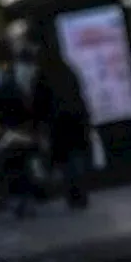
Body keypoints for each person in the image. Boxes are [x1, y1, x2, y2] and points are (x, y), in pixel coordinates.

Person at [32, 46, 93, 209]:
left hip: (59, 124)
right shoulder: (68, 70)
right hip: (77, 120)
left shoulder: (43, 76)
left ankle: (73, 194)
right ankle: (81, 192)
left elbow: (39, 104)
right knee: (78, 157)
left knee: (66, 162)